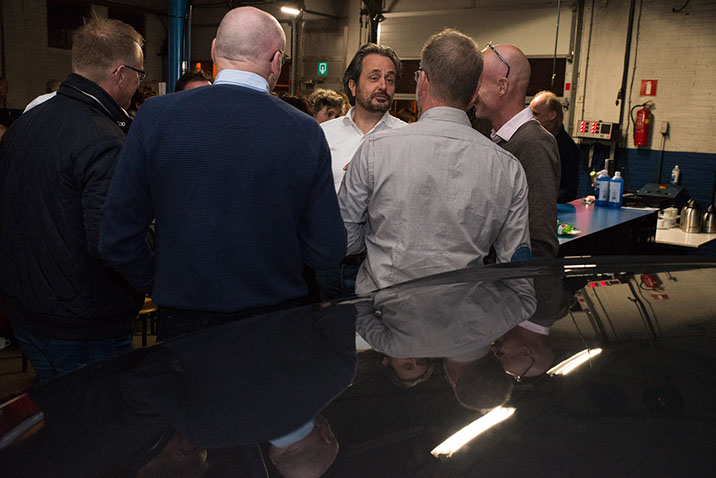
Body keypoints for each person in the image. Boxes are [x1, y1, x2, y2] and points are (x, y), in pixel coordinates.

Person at [99, 6, 346, 340]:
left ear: (214, 50)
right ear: (276, 61)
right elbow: (327, 249)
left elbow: (116, 235)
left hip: (183, 319)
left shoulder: (156, 116)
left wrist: (160, 282)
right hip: (275, 320)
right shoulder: (304, 131)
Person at [3, 301, 356, 477]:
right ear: (275, 456)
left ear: (326, 435)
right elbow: (146, 378)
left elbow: (334, 304)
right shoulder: (207, 428)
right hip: (188, 302)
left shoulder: (339, 372)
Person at [0, 18, 145, 381]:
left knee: (59, 411)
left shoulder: (25, 124)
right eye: (140, 74)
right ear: (121, 73)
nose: (139, 83)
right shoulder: (104, 139)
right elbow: (112, 240)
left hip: (27, 313)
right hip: (84, 324)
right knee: (100, 414)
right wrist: (156, 281)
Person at [339, 29, 532, 295]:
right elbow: (516, 268)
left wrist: (380, 239)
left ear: (423, 81)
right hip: (464, 311)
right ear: (474, 92)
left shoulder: (375, 150)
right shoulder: (508, 168)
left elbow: (346, 239)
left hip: (383, 310)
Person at [314, 43, 407, 301]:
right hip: (328, 264)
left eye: (390, 79)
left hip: (385, 266)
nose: (383, 86)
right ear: (353, 86)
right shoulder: (323, 134)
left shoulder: (407, 137)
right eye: (374, 78)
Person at [474, 43, 560, 258]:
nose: (473, 93)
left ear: (502, 87)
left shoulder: (534, 144)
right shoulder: (496, 138)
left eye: (478, 83)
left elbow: (539, 241)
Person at [530, 90, 580, 203]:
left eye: (536, 114)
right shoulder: (532, 139)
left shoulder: (567, 148)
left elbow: (569, 190)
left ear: (552, 115)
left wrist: (542, 199)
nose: (531, 118)